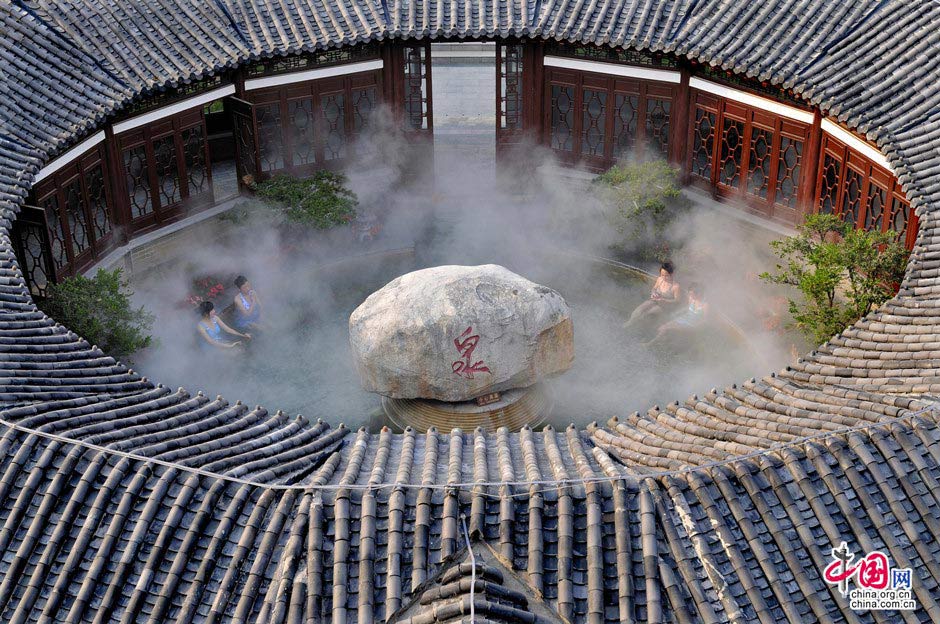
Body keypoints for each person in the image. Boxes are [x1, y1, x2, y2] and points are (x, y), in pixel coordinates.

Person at [645, 282, 708, 347]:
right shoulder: (691, 299)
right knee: (662, 327)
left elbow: (705, 319)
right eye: (689, 294)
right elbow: (688, 308)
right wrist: (677, 313)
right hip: (684, 318)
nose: (690, 296)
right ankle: (661, 343)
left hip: (692, 324)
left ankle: (649, 344)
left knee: (667, 329)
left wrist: (696, 327)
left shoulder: (705, 305)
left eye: (692, 294)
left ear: (699, 293)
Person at [624, 261, 681, 329]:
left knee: (647, 315)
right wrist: (653, 293)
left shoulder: (676, 286)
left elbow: (677, 301)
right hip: (655, 300)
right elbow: (654, 288)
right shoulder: (660, 279)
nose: (664, 277)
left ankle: (636, 328)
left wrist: (664, 300)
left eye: (666, 275)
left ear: (671, 274)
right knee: (638, 310)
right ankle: (628, 323)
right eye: (662, 275)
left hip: (664, 306)